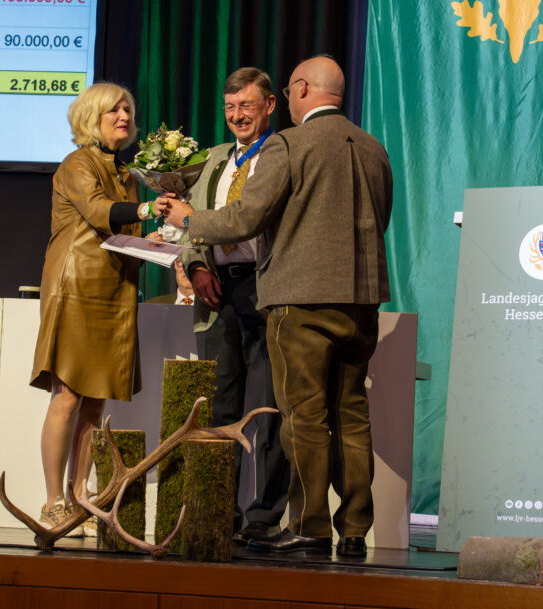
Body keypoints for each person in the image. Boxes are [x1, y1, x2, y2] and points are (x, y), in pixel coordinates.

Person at [157, 56, 392, 558]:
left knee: (302, 416)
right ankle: (353, 528)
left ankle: (309, 527)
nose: (287, 99)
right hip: (362, 300)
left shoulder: (289, 143)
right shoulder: (374, 147)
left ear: (300, 89)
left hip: (298, 300)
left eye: (285, 92)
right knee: (352, 416)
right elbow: (383, 214)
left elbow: (248, 216)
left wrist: (191, 219)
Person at [29, 82, 154, 536]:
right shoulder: (77, 164)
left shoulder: (126, 172)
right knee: (67, 395)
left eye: (127, 108)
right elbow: (101, 212)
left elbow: (120, 230)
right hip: (76, 287)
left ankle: (80, 493)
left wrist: (151, 241)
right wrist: (147, 208)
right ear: (91, 118)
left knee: (94, 399)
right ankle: (52, 501)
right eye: (113, 110)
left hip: (112, 289)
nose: (124, 115)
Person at [176, 67, 288, 545]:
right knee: (219, 406)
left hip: (265, 290)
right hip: (217, 291)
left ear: (269, 106)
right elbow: (192, 221)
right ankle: (219, 510)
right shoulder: (218, 158)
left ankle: (263, 517)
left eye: (246, 105)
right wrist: (197, 265)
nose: (238, 116)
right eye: (230, 108)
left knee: (267, 409)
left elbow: (250, 219)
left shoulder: (282, 153)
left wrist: (195, 225)